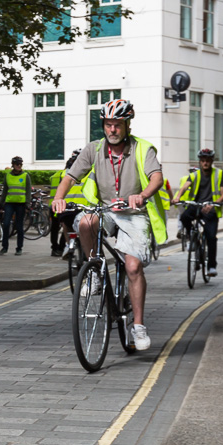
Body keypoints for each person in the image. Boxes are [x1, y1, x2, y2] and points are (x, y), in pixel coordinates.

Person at [51, 99, 165, 352]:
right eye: (108, 124)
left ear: (127, 125)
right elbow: (71, 177)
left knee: (133, 267)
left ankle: (138, 326)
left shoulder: (141, 149)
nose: (112, 130)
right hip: (106, 210)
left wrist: (142, 195)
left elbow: (157, 177)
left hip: (133, 213)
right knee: (86, 221)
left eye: (118, 125)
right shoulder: (93, 149)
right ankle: (94, 271)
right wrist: (59, 198)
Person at [174, 148, 223, 277]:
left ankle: (211, 267)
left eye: (208, 160)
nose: (205, 163)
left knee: (211, 238)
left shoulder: (219, 174)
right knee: (184, 217)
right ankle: (193, 239)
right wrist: (178, 197)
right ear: (199, 161)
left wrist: (213, 204)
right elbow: (185, 186)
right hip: (197, 206)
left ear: (212, 161)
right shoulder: (194, 175)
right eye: (203, 160)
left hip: (211, 208)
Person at [51, 150, 86, 257]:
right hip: (84, 208)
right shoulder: (88, 173)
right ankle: (85, 250)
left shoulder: (63, 174)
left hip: (66, 208)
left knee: (66, 226)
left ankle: (68, 245)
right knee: (86, 230)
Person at [0, 156, 31, 255]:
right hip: (9, 203)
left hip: (21, 204)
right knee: (6, 224)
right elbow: (5, 190)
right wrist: (2, 202)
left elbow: (28, 191)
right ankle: (4, 247)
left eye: (20, 164)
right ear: (13, 165)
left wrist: (27, 203)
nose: (19, 166)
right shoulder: (8, 176)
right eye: (17, 164)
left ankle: (19, 248)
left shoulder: (25, 176)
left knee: (19, 226)